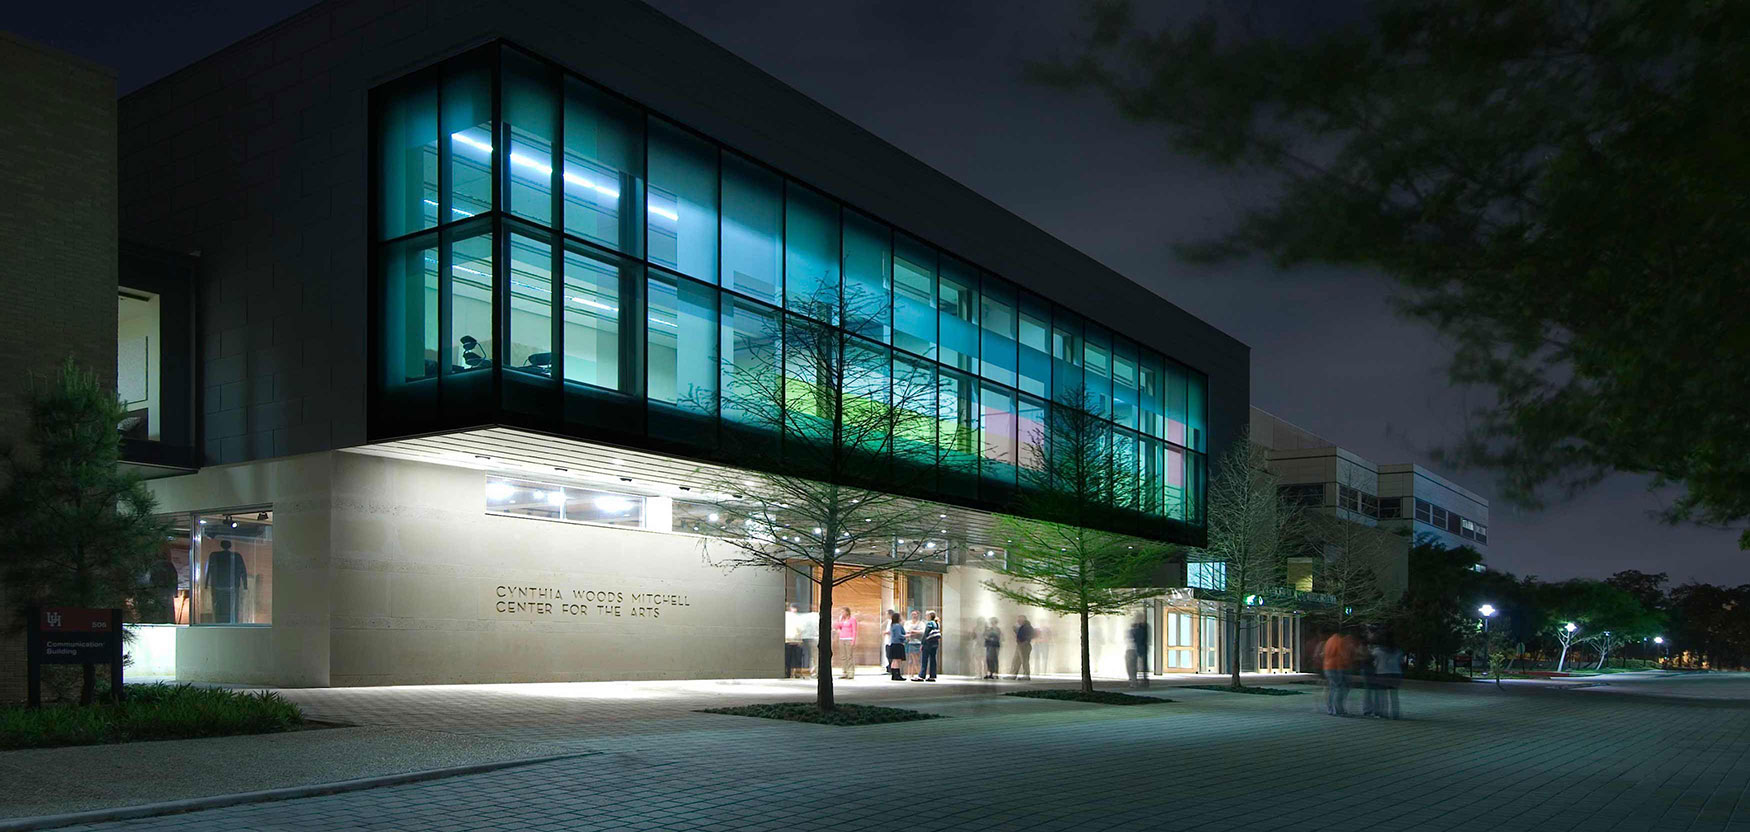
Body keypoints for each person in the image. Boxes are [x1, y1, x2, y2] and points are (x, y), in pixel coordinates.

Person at [1370, 634, 1405, 719]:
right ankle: (1395, 714)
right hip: (1396, 674)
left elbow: (1373, 663)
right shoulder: (1398, 651)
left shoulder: (1377, 651)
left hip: (1382, 674)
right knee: (1394, 695)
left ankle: (1383, 713)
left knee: (1382, 695)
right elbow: (1401, 663)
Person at [1322, 629, 1356, 716]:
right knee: (1339, 689)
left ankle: (1331, 709)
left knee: (1333, 688)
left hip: (1328, 666)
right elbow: (1342, 656)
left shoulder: (1330, 640)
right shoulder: (1340, 641)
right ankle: (1338, 709)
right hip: (1337, 667)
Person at [914, 610, 942, 681]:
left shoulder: (929, 623)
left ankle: (922, 675)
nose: (926, 617)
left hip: (928, 643)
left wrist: (922, 644)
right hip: (935, 643)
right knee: (933, 659)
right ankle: (932, 675)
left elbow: (926, 634)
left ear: (929, 616)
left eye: (927, 615)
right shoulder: (937, 623)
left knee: (924, 659)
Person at [1126, 614, 1150, 688]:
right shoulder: (1143, 628)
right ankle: (1137, 680)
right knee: (1136, 665)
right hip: (1136, 648)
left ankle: (1134, 681)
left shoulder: (1137, 629)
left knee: (1132, 666)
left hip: (1133, 649)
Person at [834, 607, 858, 679]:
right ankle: (844, 672)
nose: (842, 613)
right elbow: (837, 626)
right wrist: (839, 619)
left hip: (849, 639)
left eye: (843, 612)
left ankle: (850, 673)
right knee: (843, 657)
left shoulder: (852, 620)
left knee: (849, 656)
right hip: (842, 638)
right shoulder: (842, 620)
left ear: (847, 612)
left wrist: (853, 640)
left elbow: (854, 630)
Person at [797, 606, 819, 678]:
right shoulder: (817, 616)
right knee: (815, 656)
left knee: (811, 656)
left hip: (808, 638)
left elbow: (801, 628)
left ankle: (812, 671)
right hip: (816, 637)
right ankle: (815, 671)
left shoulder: (807, 617)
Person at [1010, 616, 1035, 680]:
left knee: (1024, 660)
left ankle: (1026, 675)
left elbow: (1031, 634)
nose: (1018, 621)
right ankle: (1013, 675)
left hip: (1024, 645)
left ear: (1023, 620)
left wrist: (1026, 641)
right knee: (1016, 660)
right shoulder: (1022, 627)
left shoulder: (1027, 627)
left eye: (1019, 619)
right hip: (1020, 645)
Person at [887, 612, 907, 681]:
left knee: (894, 660)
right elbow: (899, 635)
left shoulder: (892, 625)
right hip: (898, 644)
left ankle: (894, 675)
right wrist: (906, 636)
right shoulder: (898, 626)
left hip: (893, 644)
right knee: (897, 660)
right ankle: (897, 675)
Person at [904, 609, 924, 678]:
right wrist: (912, 632)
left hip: (918, 642)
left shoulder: (921, 623)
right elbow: (906, 630)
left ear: (918, 615)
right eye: (912, 614)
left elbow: (922, 631)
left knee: (916, 659)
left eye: (915, 614)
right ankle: (912, 674)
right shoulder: (908, 623)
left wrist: (913, 631)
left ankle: (916, 673)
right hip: (910, 642)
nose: (914, 616)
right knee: (912, 659)